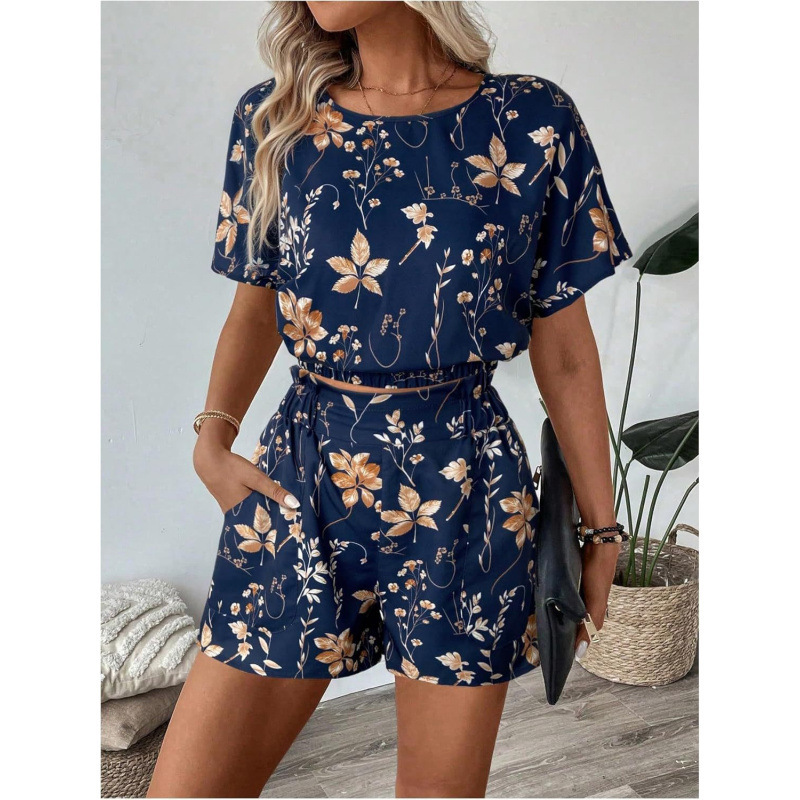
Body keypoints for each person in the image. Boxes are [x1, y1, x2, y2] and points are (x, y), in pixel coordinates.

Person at [147, 1, 634, 797]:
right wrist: (211, 439)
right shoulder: (276, 118)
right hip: (305, 477)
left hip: (465, 484)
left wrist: (602, 527)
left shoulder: (531, 121)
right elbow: (255, 305)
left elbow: (568, 354)